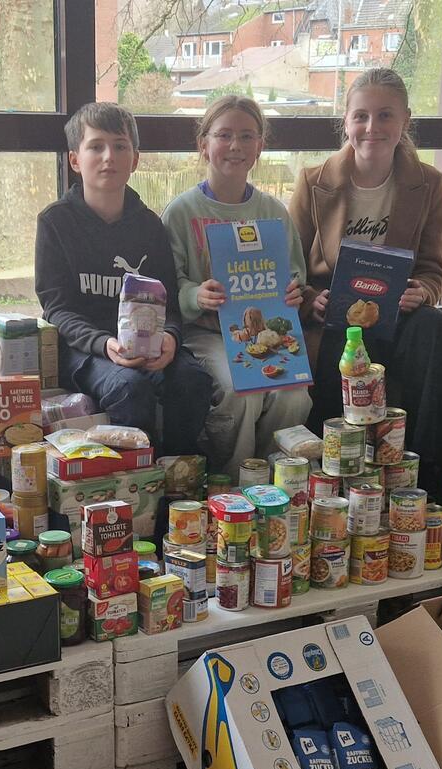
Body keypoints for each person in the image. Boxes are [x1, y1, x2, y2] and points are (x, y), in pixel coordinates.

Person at [289, 67, 442, 499]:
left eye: (385, 116)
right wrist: (311, 299)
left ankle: (425, 478)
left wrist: (423, 290)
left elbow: (433, 268)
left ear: (405, 120)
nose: (373, 127)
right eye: (362, 116)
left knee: (441, 337)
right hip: (332, 316)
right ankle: (332, 482)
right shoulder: (313, 182)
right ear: (346, 121)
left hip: (397, 312)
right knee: (339, 352)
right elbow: (290, 266)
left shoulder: (428, 183)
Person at [35, 102, 213, 456]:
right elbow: (56, 308)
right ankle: (139, 489)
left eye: (119, 146)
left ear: (134, 159)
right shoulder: (55, 222)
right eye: (96, 146)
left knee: (194, 380)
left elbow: (171, 302)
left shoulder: (150, 225)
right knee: (130, 387)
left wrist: (170, 340)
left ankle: (178, 478)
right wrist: (105, 345)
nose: (108, 157)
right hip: (86, 350)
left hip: (150, 344)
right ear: (74, 160)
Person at [161, 95, 310, 481]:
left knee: (292, 393)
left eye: (247, 136)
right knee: (240, 389)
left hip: (268, 335)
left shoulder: (273, 212)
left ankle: (278, 481)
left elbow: (294, 275)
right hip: (206, 333)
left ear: (260, 147)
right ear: (203, 144)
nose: (235, 146)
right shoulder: (181, 212)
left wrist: (294, 292)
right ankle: (232, 484)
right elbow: (165, 288)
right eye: (224, 135)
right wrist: (196, 295)